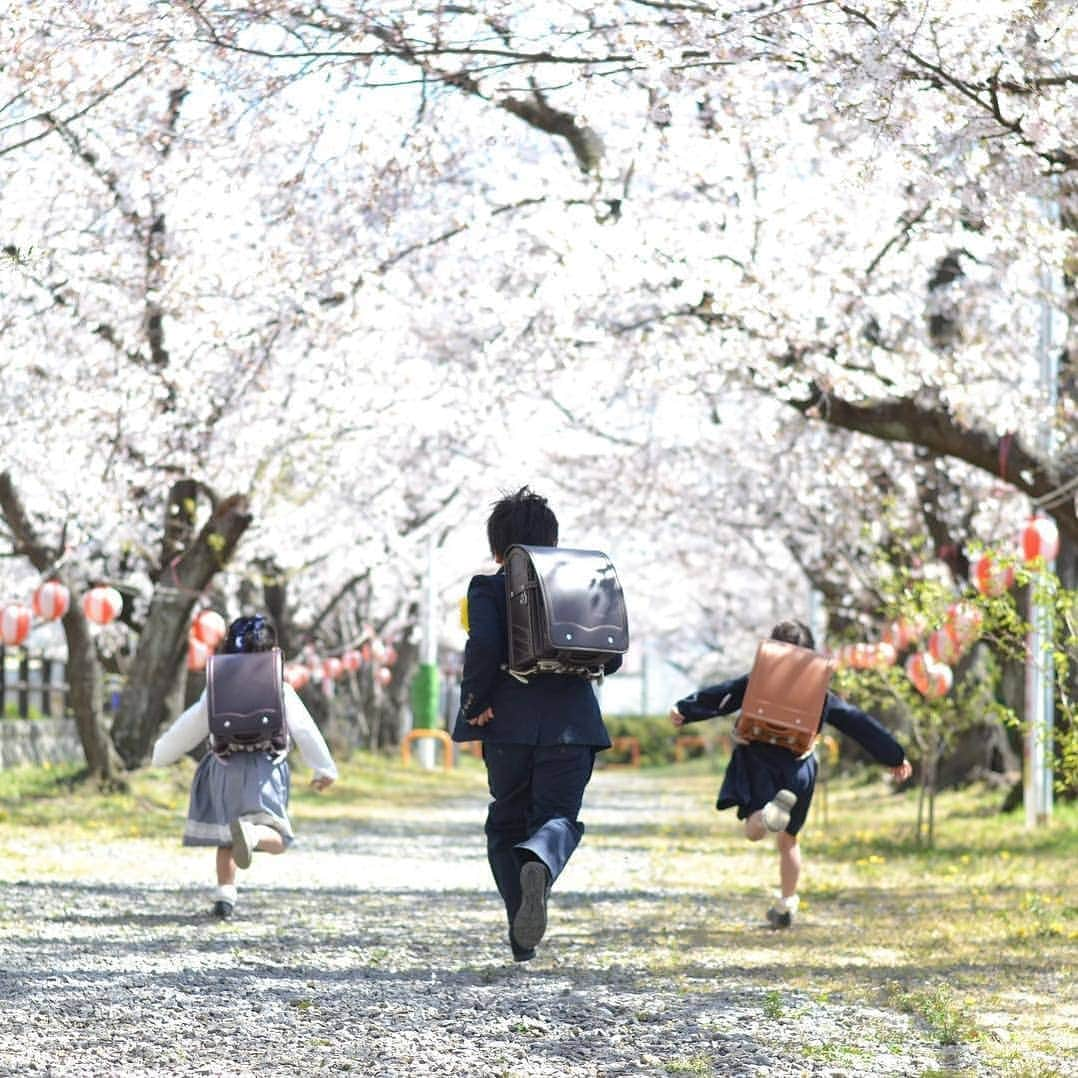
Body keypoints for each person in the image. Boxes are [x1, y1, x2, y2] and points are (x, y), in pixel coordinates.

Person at [452, 487, 623, 962]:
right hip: (574, 726)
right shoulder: (583, 580)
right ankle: (540, 864)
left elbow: (483, 646)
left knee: (506, 821)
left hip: (508, 723)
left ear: (498, 546)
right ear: (552, 539)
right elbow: (610, 660)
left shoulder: (488, 587)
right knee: (556, 819)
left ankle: (520, 932)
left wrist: (475, 702)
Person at [669, 619, 911, 929]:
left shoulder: (758, 680)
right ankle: (786, 903)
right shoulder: (821, 690)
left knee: (754, 829)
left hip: (760, 759)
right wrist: (893, 755)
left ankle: (766, 814)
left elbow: (723, 695)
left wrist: (685, 709)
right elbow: (857, 722)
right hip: (800, 766)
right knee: (790, 840)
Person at [152, 614, 338, 919]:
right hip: (265, 769)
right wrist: (324, 769)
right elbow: (305, 730)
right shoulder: (279, 688)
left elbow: (190, 726)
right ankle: (253, 835)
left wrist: (160, 754)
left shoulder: (216, 686)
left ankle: (225, 896)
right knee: (279, 838)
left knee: (228, 838)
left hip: (223, 768)